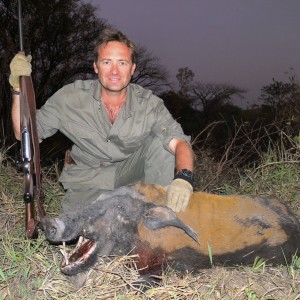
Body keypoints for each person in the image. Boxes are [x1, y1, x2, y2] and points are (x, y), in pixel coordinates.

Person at [9, 28, 195, 212]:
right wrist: (18, 88)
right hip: (88, 180)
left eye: (122, 63)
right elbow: (23, 133)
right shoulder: (69, 97)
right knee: (76, 231)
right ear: (96, 66)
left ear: (132, 69)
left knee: (159, 146)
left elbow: (179, 142)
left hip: (131, 176)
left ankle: (156, 217)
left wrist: (184, 179)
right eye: (107, 62)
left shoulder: (150, 104)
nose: (114, 71)